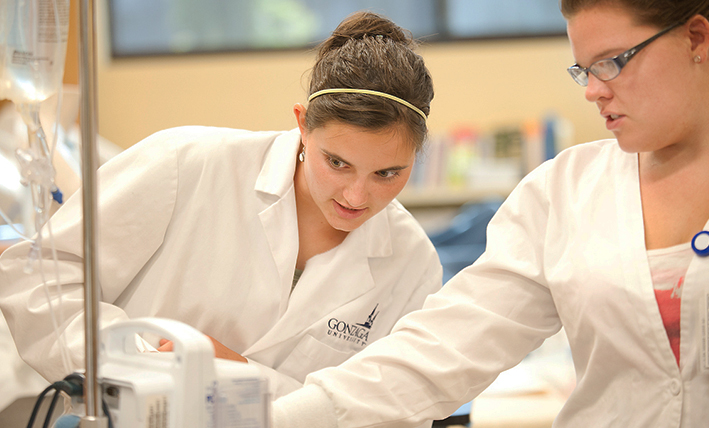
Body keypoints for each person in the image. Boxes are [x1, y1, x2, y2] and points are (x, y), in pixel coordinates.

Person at [270, 0, 709, 427]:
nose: (593, 90)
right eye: (583, 70)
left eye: (611, 63)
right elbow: (437, 355)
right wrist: (270, 420)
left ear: (696, 38)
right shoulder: (564, 192)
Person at [0, 11, 442, 400]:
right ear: (303, 124)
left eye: (388, 173)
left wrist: (239, 377)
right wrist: (148, 366)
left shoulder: (412, 263)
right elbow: (39, 283)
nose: (356, 196)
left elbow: (384, 404)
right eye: (337, 163)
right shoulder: (185, 163)